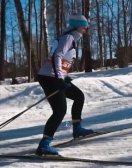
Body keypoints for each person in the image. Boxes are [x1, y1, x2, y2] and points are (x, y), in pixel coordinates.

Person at [36, 14, 94, 156]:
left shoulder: (69, 37)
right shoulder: (68, 37)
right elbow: (57, 56)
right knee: (60, 110)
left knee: (78, 96)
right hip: (50, 77)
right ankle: (44, 145)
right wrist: (59, 79)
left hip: (54, 76)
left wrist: (65, 77)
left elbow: (61, 62)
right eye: (84, 26)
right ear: (77, 26)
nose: (86, 29)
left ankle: (77, 129)